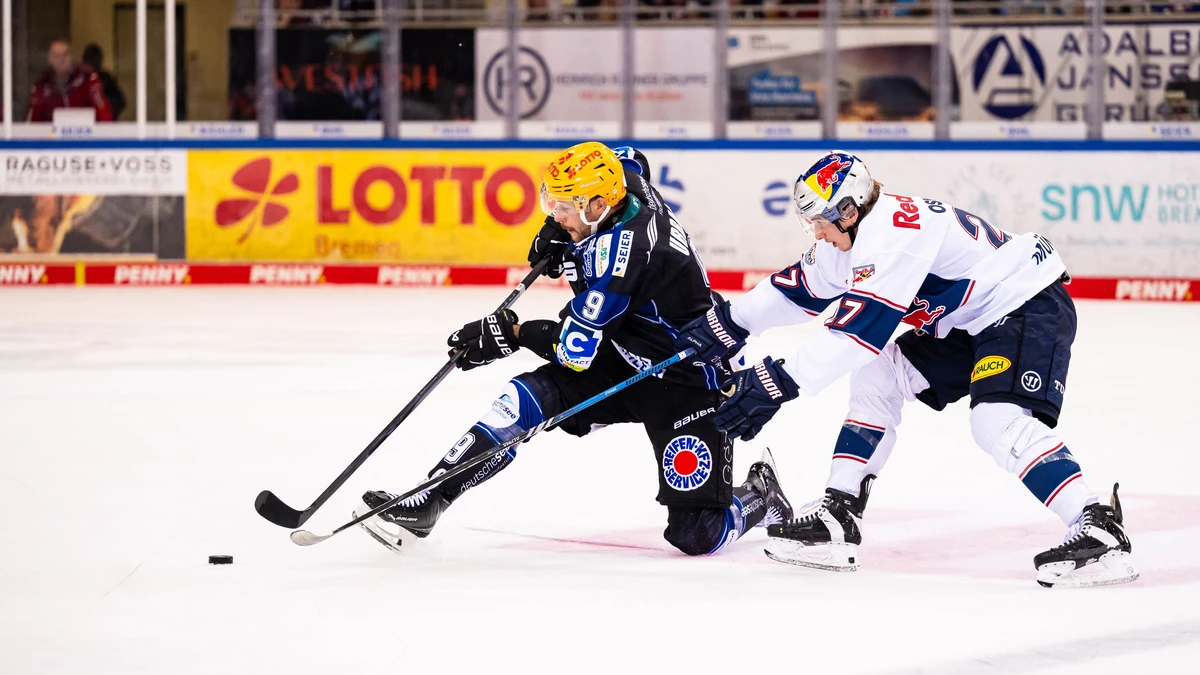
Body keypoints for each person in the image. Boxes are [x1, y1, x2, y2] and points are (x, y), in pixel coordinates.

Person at [674, 150, 1137, 588]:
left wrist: (775, 382)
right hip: (967, 318)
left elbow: (859, 332)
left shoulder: (895, 234)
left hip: (1023, 302)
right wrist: (729, 322)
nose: (816, 233)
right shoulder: (850, 234)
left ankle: (1098, 524)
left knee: (995, 421)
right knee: (879, 372)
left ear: (849, 212)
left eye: (820, 221)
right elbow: (798, 288)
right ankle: (840, 511)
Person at [356, 142, 793, 556]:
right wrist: (555, 229)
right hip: (624, 353)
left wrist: (511, 333)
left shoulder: (628, 257)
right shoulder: (626, 184)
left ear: (598, 206)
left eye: (564, 208)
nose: (557, 213)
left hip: (689, 377)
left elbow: (573, 351)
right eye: (554, 205)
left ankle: (760, 494)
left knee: (697, 534)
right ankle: (432, 498)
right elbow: (626, 155)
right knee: (522, 402)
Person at [27, 40, 113, 123]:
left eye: (65, 55)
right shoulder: (42, 83)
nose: (61, 60)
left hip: (86, 134)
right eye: (56, 56)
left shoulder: (87, 78)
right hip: (52, 135)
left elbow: (103, 112)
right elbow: (33, 120)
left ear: (71, 57)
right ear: (50, 59)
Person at [81, 44, 127, 120]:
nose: (91, 64)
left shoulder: (106, 79)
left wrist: (105, 106)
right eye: (89, 60)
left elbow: (120, 102)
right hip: (84, 122)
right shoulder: (79, 79)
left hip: (103, 124)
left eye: (93, 61)